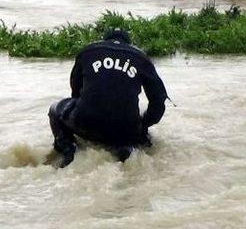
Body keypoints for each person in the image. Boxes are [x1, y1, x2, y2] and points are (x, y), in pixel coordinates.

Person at [47, 28, 168, 167]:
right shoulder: (142, 59)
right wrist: (144, 123)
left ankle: (68, 150)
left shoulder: (87, 52)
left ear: (105, 40)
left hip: (86, 122)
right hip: (126, 129)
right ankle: (126, 152)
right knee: (143, 135)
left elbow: (75, 91)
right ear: (128, 43)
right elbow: (159, 100)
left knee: (54, 109)